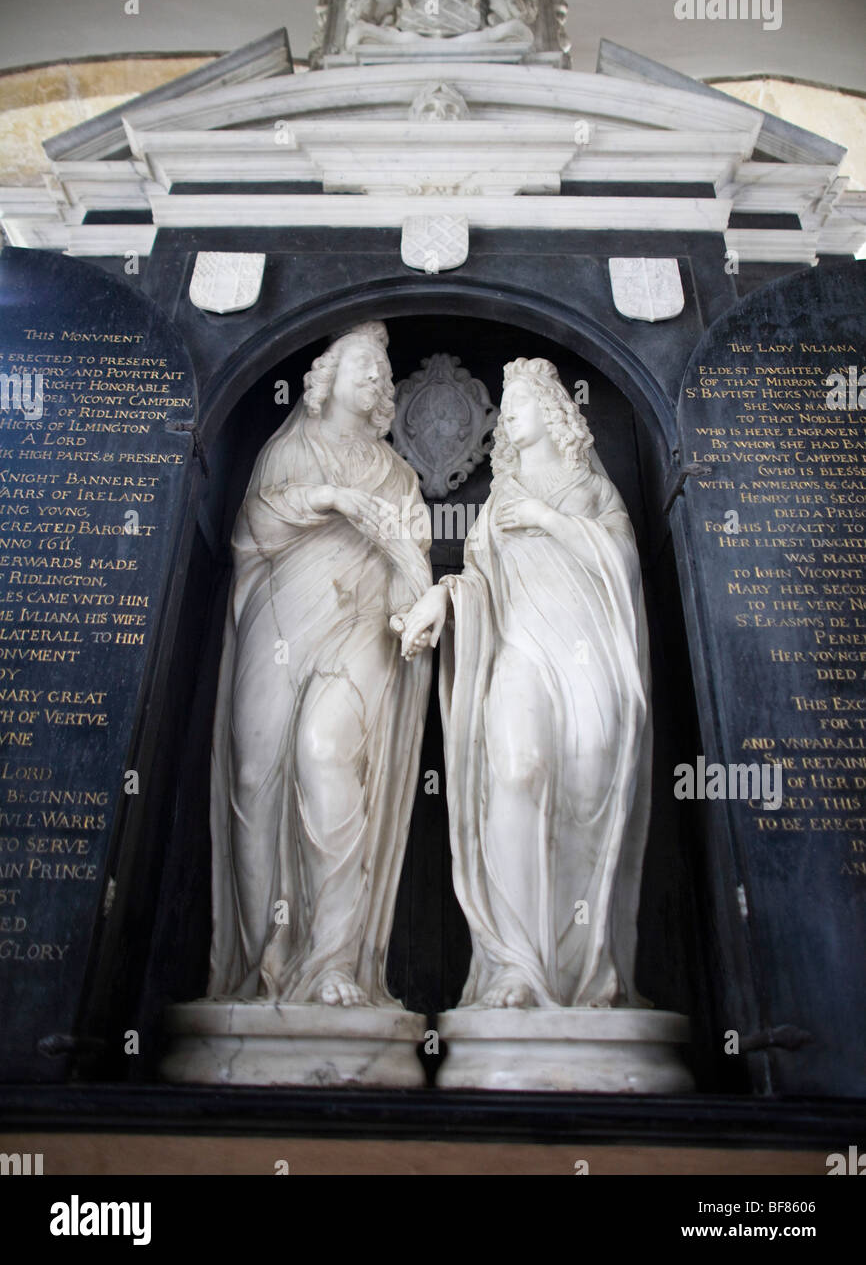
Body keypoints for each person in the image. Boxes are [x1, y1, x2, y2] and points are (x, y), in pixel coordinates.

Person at [400, 357, 653, 1010]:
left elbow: (620, 561)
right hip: (518, 651)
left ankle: (581, 970)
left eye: (524, 398)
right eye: (506, 401)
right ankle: (514, 964)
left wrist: (550, 522)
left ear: (555, 409)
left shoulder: (590, 490)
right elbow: (482, 582)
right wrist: (444, 599)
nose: (512, 410)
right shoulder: (498, 501)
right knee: (515, 774)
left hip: (586, 655)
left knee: (587, 779)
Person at [208, 321, 432, 1007]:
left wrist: (414, 595)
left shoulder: (398, 474)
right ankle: (258, 965)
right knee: (254, 774)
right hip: (279, 618)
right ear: (326, 379)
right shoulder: (291, 448)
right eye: (364, 364)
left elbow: (412, 566)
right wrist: (329, 500)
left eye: (383, 372)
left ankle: (333, 961)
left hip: (359, 629)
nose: (376, 379)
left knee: (327, 756)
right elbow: (250, 530)